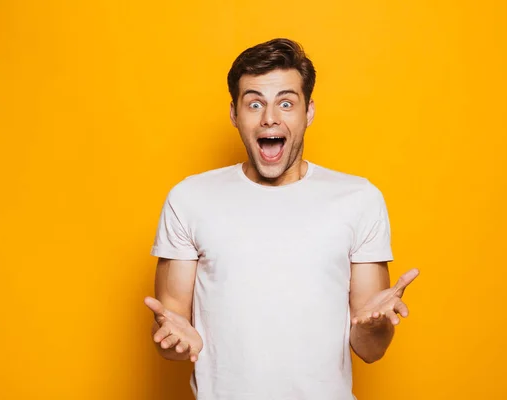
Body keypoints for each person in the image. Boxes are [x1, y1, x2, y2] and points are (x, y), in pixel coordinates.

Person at [144, 38, 419, 400]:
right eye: (254, 103)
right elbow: (172, 329)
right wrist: (173, 342)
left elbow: (370, 349)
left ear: (309, 112)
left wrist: (376, 324)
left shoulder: (358, 199)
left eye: (286, 103)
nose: (269, 117)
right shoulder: (189, 199)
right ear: (234, 114)